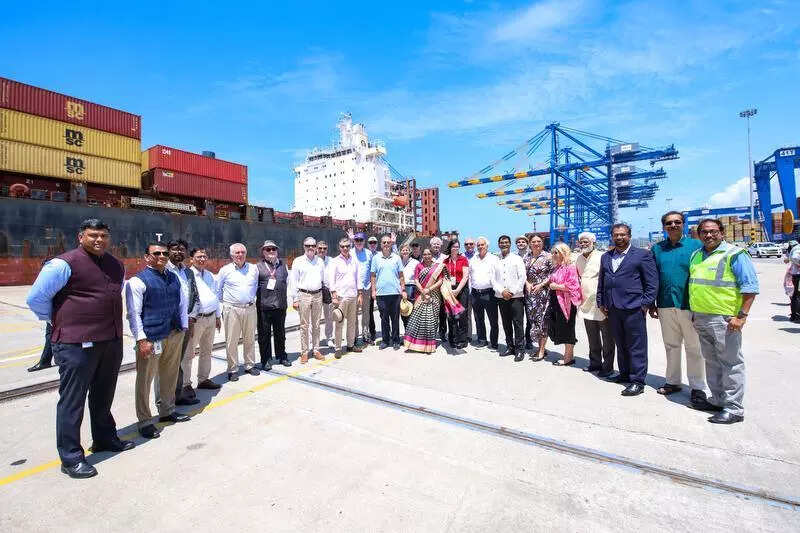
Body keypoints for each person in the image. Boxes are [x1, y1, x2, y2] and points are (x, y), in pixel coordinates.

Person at [26, 218, 133, 478]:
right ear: (81, 237)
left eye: (103, 235)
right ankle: (71, 457)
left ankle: (104, 438)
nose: (99, 240)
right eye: (93, 235)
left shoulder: (116, 265)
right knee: (72, 401)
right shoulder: (63, 264)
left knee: (103, 395)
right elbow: (36, 298)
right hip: (75, 344)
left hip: (110, 341)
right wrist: (59, 321)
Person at [688, 218, 759, 424]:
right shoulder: (696, 255)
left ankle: (734, 408)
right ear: (699, 234)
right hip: (701, 316)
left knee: (731, 363)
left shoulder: (735, 254)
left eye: (713, 231)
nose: (708, 235)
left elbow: (750, 287)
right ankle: (718, 400)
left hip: (725, 319)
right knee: (712, 362)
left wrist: (741, 316)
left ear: (722, 232)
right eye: (704, 232)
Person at [126, 242, 191, 440]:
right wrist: (141, 339)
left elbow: (181, 303)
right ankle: (145, 421)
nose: (162, 256)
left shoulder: (173, 277)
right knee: (145, 380)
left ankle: (167, 411)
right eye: (157, 253)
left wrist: (183, 326)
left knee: (169, 375)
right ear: (147, 257)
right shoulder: (137, 281)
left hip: (174, 333)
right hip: (151, 337)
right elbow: (134, 314)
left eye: (164, 253)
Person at [649, 211, 707, 405]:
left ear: (683, 224)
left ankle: (697, 387)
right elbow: (652, 277)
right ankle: (673, 381)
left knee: (694, 347)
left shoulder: (696, 246)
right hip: (665, 303)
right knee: (671, 345)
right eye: (669, 223)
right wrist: (651, 302)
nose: (673, 225)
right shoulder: (657, 249)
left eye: (677, 222)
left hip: (689, 304)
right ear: (664, 227)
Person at [597, 223, 658, 397]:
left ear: (629, 236)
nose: (619, 237)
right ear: (612, 236)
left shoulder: (642, 255)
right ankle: (624, 374)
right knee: (621, 343)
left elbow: (652, 283)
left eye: (622, 234)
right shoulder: (606, 257)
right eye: (616, 235)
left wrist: (645, 304)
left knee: (636, 346)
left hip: (634, 307)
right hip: (612, 307)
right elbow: (602, 280)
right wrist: (601, 301)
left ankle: (637, 381)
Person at [216, 243, 259, 381]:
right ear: (232, 255)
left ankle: (249, 365)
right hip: (232, 309)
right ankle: (233, 369)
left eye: (242, 252)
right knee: (231, 341)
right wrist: (228, 303)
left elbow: (256, 286)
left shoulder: (253, 269)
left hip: (250, 308)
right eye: (237, 253)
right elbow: (218, 290)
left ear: (246, 254)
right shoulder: (225, 270)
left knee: (250, 338)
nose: (240, 255)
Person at [164, 239, 200, 407]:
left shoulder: (188, 272)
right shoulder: (163, 269)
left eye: (182, 249)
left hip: (186, 323)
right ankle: (166, 402)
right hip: (170, 325)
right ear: (168, 251)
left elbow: (195, 296)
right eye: (174, 249)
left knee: (178, 361)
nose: (178, 252)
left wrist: (192, 318)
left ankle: (177, 396)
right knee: (166, 364)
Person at [575, 232, 615, 377]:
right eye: (581, 242)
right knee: (592, 336)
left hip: (601, 303)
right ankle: (595, 363)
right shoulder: (578, 258)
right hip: (586, 303)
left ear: (593, 243)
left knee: (607, 337)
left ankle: (608, 367)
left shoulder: (602, 256)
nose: (583, 244)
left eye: (586, 241)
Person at [183, 247, 222, 391]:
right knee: (188, 354)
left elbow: (215, 296)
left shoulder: (210, 275)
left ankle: (203, 379)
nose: (202, 259)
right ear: (191, 259)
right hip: (196, 320)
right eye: (199, 256)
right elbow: (186, 299)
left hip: (211, 318)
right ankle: (185, 384)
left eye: (204, 256)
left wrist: (217, 316)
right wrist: (189, 321)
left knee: (207, 351)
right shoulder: (187, 275)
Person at [544, 243, 582, 366]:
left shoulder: (570, 267)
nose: (554, 255)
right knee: (559, 327)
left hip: (566, 303)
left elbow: (574, 286)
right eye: (553, 252)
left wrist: (556, 286)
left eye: (556, 252)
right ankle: (569, 355)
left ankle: (568, 358)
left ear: (563, 253)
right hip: (556, 301)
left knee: (567, 329)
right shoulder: (557, 267)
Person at [290, 236, 327, 363]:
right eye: (308, 246)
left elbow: (324, 279)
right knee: (304, 325)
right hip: (304, 295)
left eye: (313, 245)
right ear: (304, 247)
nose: (310, 248)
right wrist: (295, 299)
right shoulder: (298, 261)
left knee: (316, 324)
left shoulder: (320, 261)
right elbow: (293, 281)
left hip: (318, 295)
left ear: (316, 247)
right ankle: (304, 352)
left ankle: (316, 350)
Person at [256, 240, 290, 369]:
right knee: (264, 335)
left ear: (277, 251)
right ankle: (266, 359)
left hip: (280, 305)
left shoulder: (283, 265)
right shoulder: (258, 267)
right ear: (263, 252)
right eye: (268, 249)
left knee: (280, 333)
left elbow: (288, 283)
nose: (271, 251)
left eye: (273, 249)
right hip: (264, 307)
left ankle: (282, 356)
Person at [404, 248, 446, 353]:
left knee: (431, 321)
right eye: (424, 254)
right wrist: (423, 291)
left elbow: (440, 280)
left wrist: (429, 289)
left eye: (429, 254)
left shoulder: (438, 267)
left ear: (432, 255)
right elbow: (416, 280)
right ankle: (416, 345)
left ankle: (429, 346)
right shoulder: (419, 266)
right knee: (417, 320)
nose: (426, 256)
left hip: (434, 296)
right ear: (422, 255)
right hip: (421, 295)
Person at [493, 235, 527, 361]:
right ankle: (510, 347)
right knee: (506, 323)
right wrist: (502, 291)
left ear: (510, 244)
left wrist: (511, 292)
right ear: (498, 244)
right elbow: (493, 279)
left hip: (516, 297)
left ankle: (520, 350)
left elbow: (522, 277)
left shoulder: (517, 259)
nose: (504, 244)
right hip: (501, 296)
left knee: (518, 323)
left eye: (506, 242)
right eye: (502, 242)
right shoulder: (495, 260)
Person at [328, 237, 363, 358]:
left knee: (352, 323)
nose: (345, 248)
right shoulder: (335, 261)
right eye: (343, 246)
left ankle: (350, 345)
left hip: (353, 295)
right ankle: (338, 348)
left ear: (350, 247)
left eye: (347, 246)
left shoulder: (354, 260)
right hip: (341, 297)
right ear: (339, 247)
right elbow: (331, 279)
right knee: (339, 322)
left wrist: (360, 294)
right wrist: (334, 296)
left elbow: (358, 277)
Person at [371, 235, 406, 349]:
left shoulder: (397, 258)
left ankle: (396, 340)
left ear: (391, 244)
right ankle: (385, 340)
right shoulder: (376, 258)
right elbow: (373, 276)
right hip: (381, 293)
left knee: (395, 318)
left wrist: (403, 289)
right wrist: (373, 291)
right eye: (384, 242)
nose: (386, 244)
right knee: (384, 318)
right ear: (381, 244)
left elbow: (401, 275)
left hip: (395, 293)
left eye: (388, 242)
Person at [524, 235, 553, 361]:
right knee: (534, 321)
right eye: (533, 242)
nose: (536, 244)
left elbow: (553, 274)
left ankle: (541, 350)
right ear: (530, 243)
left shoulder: (548, 256)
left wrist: (541, 285)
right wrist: (527, 283)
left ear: (542, 242)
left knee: (543, 321)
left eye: (539, 241)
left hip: (543, 294)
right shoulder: (527, 257)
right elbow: (522, 274)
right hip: (530, 294)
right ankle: (540, 347)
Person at [469, 236, 499, 349]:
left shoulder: (494, 259)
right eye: (478, 245)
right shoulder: (473, 259)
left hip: (489, 293)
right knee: (478, 318)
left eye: (482, 244)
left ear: (487, 246)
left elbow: (498, 275)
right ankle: (482, 340)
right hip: (475, 293)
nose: (480, 247)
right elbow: (469, 276)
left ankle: (494, 342)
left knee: (493, 319)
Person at [444, 239, 470, 349]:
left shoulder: (463, 259)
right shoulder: (445, 261)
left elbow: (466, 276)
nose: (455, 248)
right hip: (449, 288)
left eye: (457, 246)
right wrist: (450, 290)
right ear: (450, 247)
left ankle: (463, 339)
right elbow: (444, 277)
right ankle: (453, 338)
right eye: (453, 246)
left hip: (462, 288)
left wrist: (457, 290)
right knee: (451, 315)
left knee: (463, 314)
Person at [351, 231, 374, 345]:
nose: (359, 242)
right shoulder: (350, 253)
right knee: (353, 314)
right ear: (354, 241)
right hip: (353, 288)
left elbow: (372, 271)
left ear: (364, 241)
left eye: (361, 240)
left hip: (366, 287)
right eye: (357, 240)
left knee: (366, 313)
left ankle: (365, 335)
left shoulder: (369, 253)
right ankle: (354, 336)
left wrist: (372, 287)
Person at [516, 235, 535, 351]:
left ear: (527, 244)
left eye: (523, 242)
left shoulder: (531, 256)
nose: (521, 243)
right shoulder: (514, 256)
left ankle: (529, 339)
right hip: (517, 290)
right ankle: (520, 340)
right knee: (518, 317)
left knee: (529, 317)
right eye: (519, 242)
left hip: (529, 289)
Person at [317, 240, 334, 347]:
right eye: (320, 248)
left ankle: (329, 338)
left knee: (329, 317)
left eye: (324, 248)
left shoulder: (331, 260)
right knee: (315, 318)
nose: (322, 250)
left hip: (328, 291)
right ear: (316, 249)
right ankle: (314, 340)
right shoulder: (313, 260)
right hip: (317, 292)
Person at [400, 244, 419, 329]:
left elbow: (419, 275)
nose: (405, 252)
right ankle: (406, 329)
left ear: (410, 251)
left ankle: (411, 331)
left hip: (411, 287)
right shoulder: (398, 261)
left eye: (406, 250)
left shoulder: (415, 262)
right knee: (403, 309)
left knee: (410, 310)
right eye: (403, 250)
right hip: (400, 287)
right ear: (400, 252)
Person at [463, 237, 476, 341]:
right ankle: (468, 335)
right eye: (467, 244)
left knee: (478, 315)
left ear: (474, 245)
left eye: (471, 244)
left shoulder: (478, 256)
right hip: (465, 290)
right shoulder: (461, 257)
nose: (469, 246)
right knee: (467, 314)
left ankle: (482, 337)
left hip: (476, 290)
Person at [785, 243, 800, 322]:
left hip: (796, 274)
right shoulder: (798, 248)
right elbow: (794, 257)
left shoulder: (796, 247)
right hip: (798, 275)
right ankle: (795, 315)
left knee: (796, 295)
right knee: (796, 295)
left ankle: (794, 315)